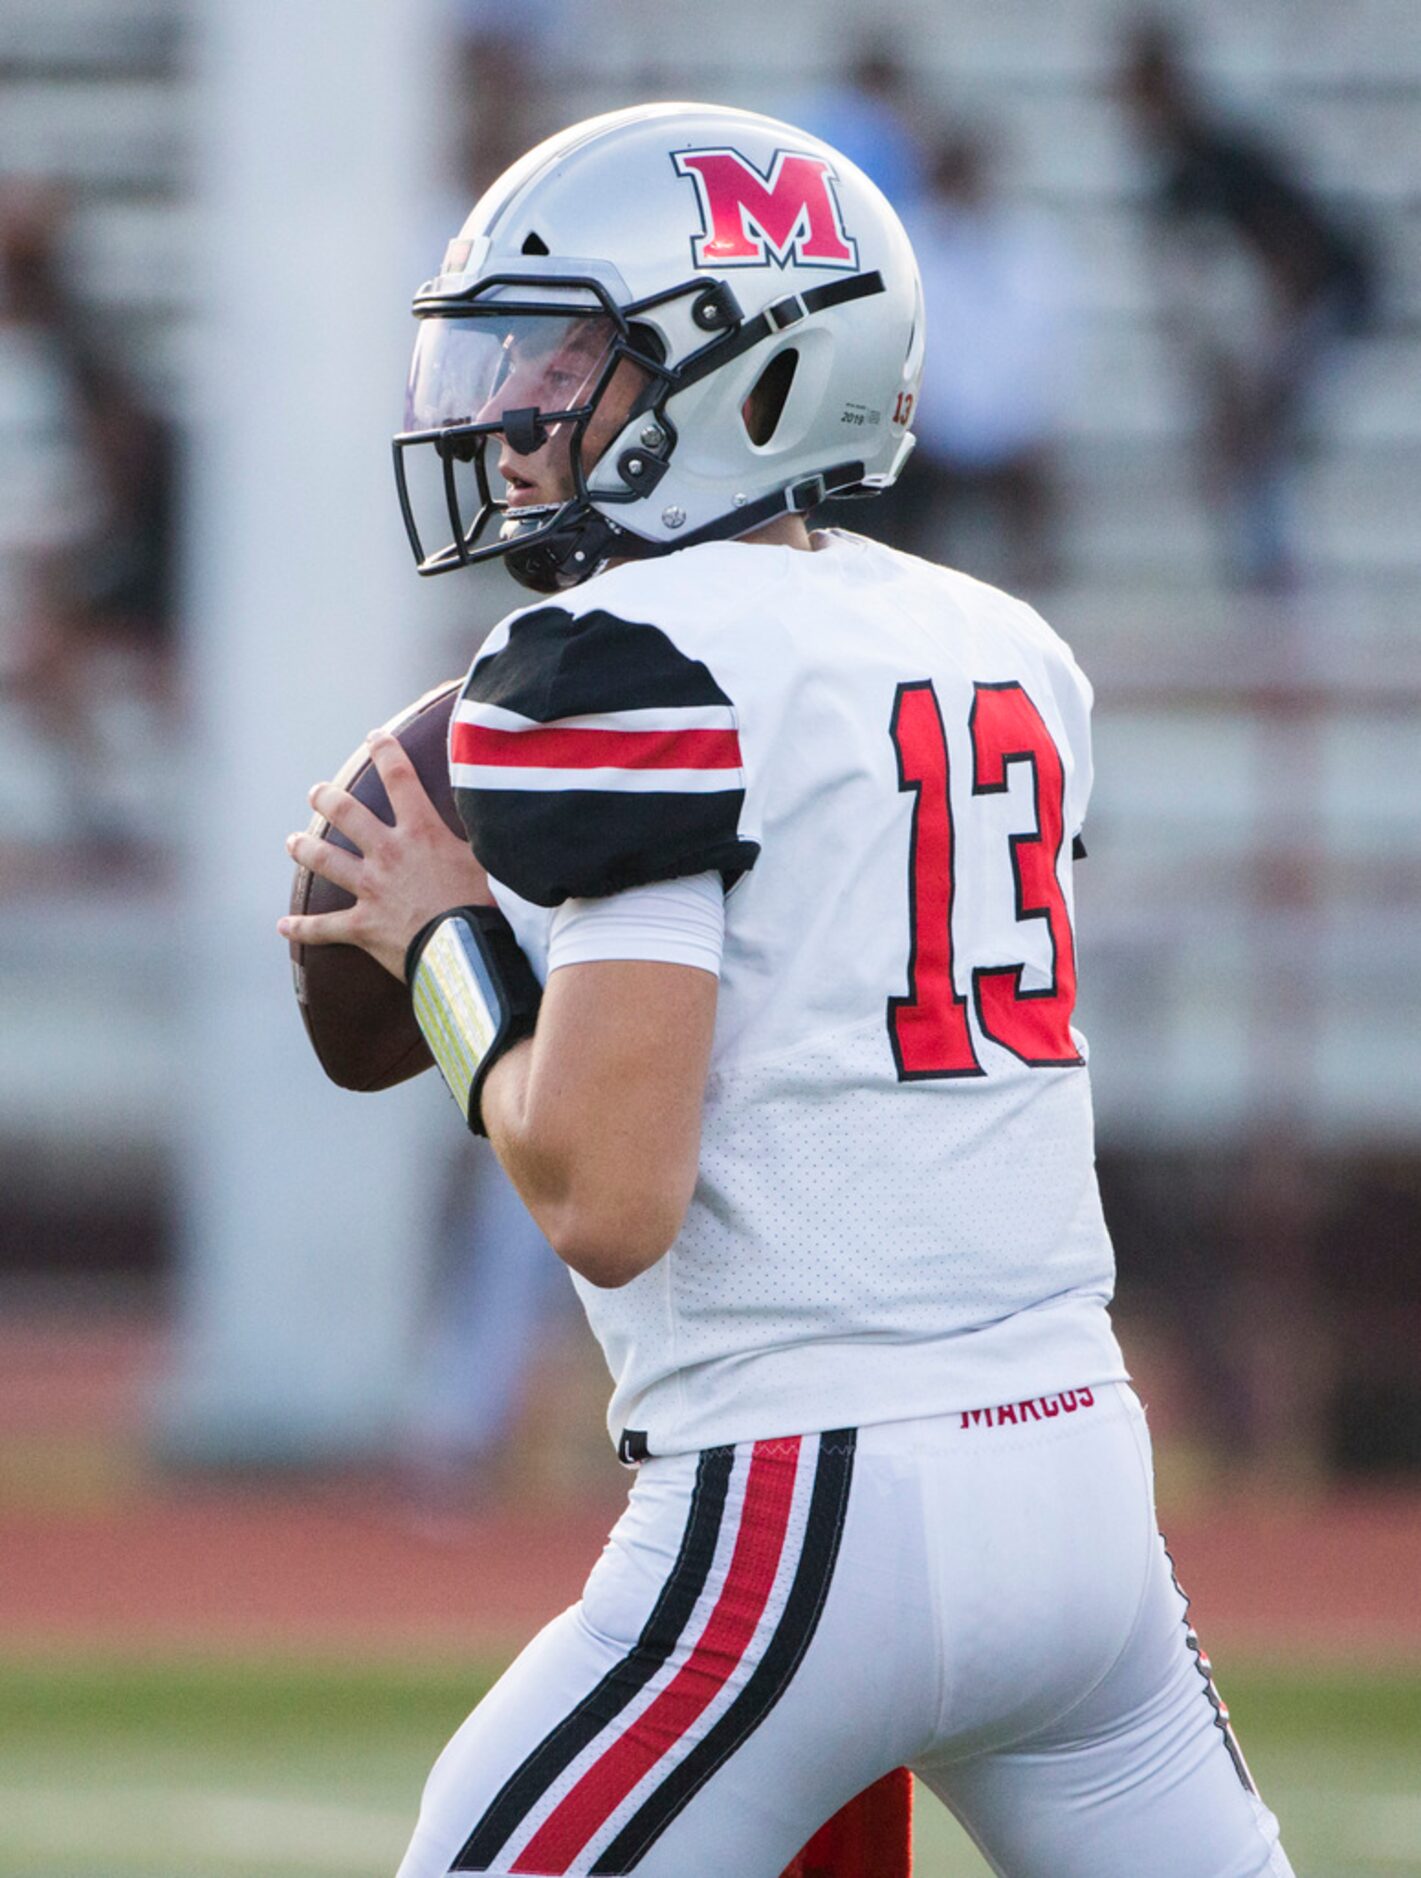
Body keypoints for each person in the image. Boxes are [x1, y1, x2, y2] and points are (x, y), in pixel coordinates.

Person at [278, 103, 1294, 1876]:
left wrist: (442, 940)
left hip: (806, 1501)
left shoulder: (613, 662)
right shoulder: (1004, 646)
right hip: (1081, 1500)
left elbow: (607, 1191)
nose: (509, 410)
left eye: (569, 354)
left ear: (748, 371)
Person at [1118, 19, 1376, 591]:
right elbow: (1191, 305)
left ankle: (1285, 590)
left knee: (1262, 448)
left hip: (1322, 301)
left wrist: (1268, 374)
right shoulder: (1177, 181)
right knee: (1247, 453)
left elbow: (1295, 257)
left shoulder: (1225, 158)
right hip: (1273, 319)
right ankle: (1270, 585)